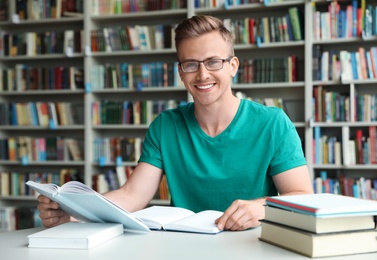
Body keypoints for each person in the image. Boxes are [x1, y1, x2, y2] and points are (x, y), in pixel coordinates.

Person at [37, 15, 313, 231]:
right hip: (183, 247)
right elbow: (132, 195)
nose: (203, 74)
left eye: (213, 62)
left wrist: (262, 208)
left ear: (233, 66)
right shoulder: (165, 126)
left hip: (253, 245)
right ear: (181, 72)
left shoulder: (273, 123)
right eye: (191, 64)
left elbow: (301, 196)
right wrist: (74, 213)